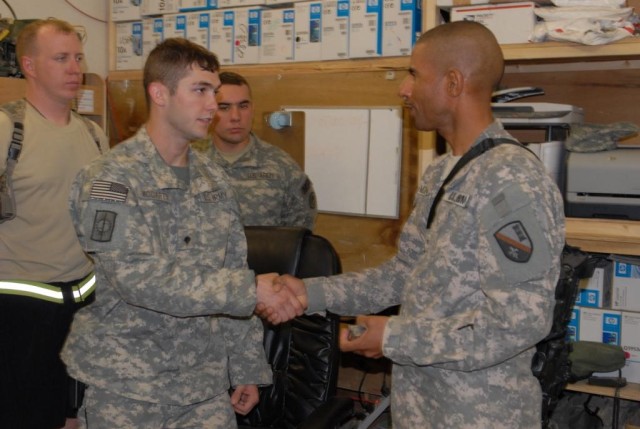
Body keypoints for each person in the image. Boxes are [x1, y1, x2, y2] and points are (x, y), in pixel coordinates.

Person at [265, 21, 566, 429]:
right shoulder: (443, 172)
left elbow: (519, 322)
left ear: (454, 83)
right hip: (421, 409)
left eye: (413, 74)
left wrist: (393, 337)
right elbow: (405, 275)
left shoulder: (509, 182)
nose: (403, 89)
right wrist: (310, 293)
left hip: (479, 416)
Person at [60, 38, 303, 428]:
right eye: (200, 91)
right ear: (160, 93)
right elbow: (136, 279)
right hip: (129, 387)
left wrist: (245, 366)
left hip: (203, 388)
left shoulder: (215, 181)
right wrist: (250, 290)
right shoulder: (110, 179)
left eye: (215, 92)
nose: (213, 106)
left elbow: (231, 268)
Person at [0, 19, 109, 429]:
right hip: (20, 312)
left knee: (76, 417)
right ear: (28, 65)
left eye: (78, 57)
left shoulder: (94, 134)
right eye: (60, 58)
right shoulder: (7, 129)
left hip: (84, 306)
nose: (73, 68)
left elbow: (109, 215)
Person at [201, 71, 317, 229]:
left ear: (253, 109)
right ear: (210, 110)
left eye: (243, 106)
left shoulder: (283, 167)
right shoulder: (190, 161)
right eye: (224, 107)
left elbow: (299, 238)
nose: (236, 116)